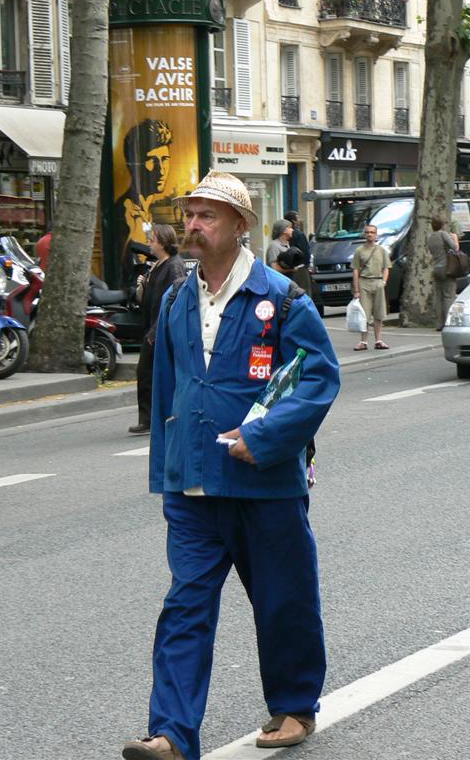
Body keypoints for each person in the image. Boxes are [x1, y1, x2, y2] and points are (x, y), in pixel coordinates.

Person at [122, 170, 340, 760]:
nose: (193, 225)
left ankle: (295, 706)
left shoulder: (285, 299)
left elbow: (320, 379)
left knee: (283, 600)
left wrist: (264, 435)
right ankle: (171, 733)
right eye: (190, 214)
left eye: (207, 215)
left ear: (240, 226)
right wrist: (168, 472)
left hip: (265, 484)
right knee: (185, 606)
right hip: (194, 488)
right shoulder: (173, 298)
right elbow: (166, 391)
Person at [130, 224, 187, 435]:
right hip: (153, 327)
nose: (149, 243)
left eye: (152, 239)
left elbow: (174, 299)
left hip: (161, 330)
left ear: (163, 242)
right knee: (148, 373)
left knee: (149, 372)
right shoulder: (157, 265)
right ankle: (151, 417)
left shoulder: (174, 266)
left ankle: (154, 418)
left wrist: (155, 331)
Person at [114, 119, 174, 283]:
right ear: (133, 164)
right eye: (152, 160)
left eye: (165, 159)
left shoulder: (145, 211)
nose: (161, 170)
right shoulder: (127, 212)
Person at [351, 224, 391, 350]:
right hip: (364, 283)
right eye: (367, 232)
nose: (370, 234)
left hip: (378, 282)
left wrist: (383, 282)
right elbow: (356, 270)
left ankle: (378, 340)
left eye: (372, 232)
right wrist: (356, 289)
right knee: (364, 314)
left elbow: (386, 268)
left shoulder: (382, 250)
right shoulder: (359, 251)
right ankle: (363, 342)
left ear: (376, 235)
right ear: (364, 234)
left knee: (379, 313)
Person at [428, 216, 458, 332]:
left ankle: (439, 323)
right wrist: (454, 238)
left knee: (438, 297)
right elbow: (454, 248)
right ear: (442, 225)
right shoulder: (443, 234)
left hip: (436, 268)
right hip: (447, 268)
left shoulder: (430, 237)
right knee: (448, 296)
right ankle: (448, 322)